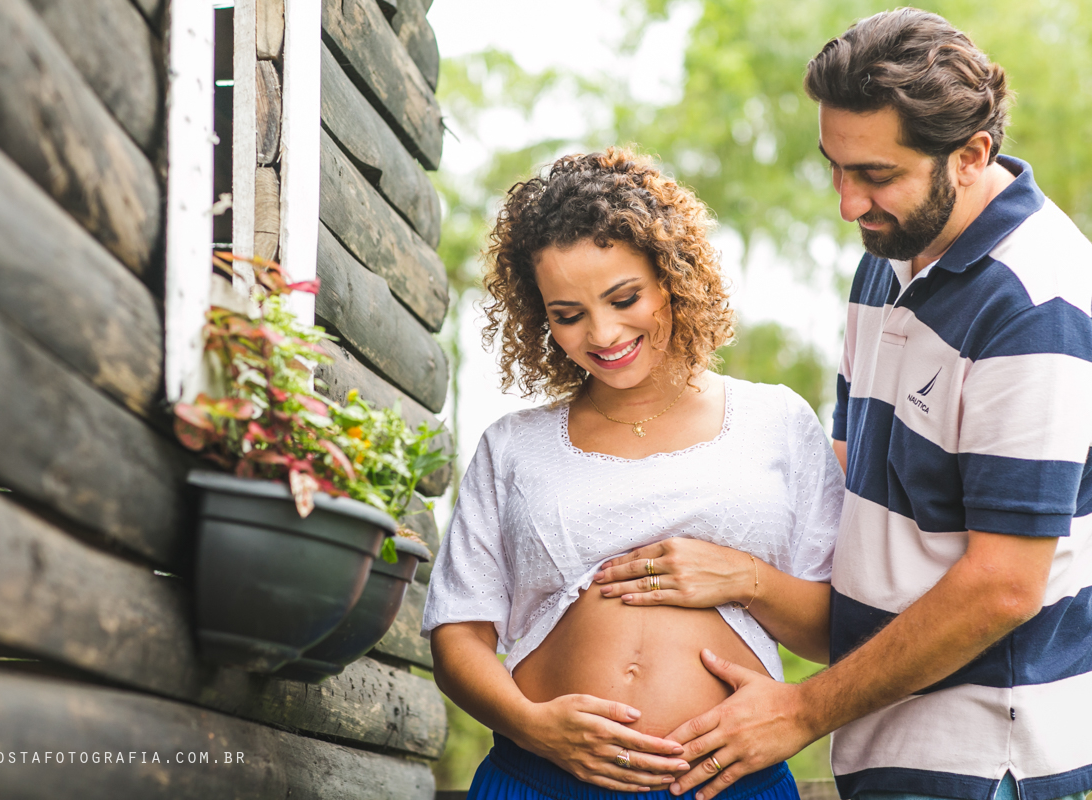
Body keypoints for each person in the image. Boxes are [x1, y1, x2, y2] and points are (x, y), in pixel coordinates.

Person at [664, 10, 1092, 800]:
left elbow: (1004, 584)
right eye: (834, 166)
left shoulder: (1037, 306)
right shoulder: (892, 254)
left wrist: (800, 712)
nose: (846, 203)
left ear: (970, 156)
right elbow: (860, 477)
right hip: (880, 739)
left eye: (875, 175)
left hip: (980, 761)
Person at [421, 146, 845, 800]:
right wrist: (532, 726)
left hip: (728, 782)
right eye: (568, 315)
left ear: (672, 276)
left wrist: (745, 578)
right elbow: (458, 631)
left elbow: (835, 633)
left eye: (624, 297)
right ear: (541, 319)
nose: (604, 332)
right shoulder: (513, 448)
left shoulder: (777, 421)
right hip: (540, 778)